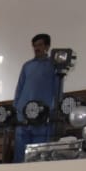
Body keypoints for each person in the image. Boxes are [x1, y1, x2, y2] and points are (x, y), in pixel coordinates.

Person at [13, 33, 60, 162]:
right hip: (23, 116)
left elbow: (57, 89)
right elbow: (19, 88)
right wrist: (16, 108)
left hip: (42, 115)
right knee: (20, 152)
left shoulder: (53, 66)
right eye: (34, 46)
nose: (36, 48)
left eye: (40, 45)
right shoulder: (27, 66)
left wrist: (53, 109)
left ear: (47, 46)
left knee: (38, 153)